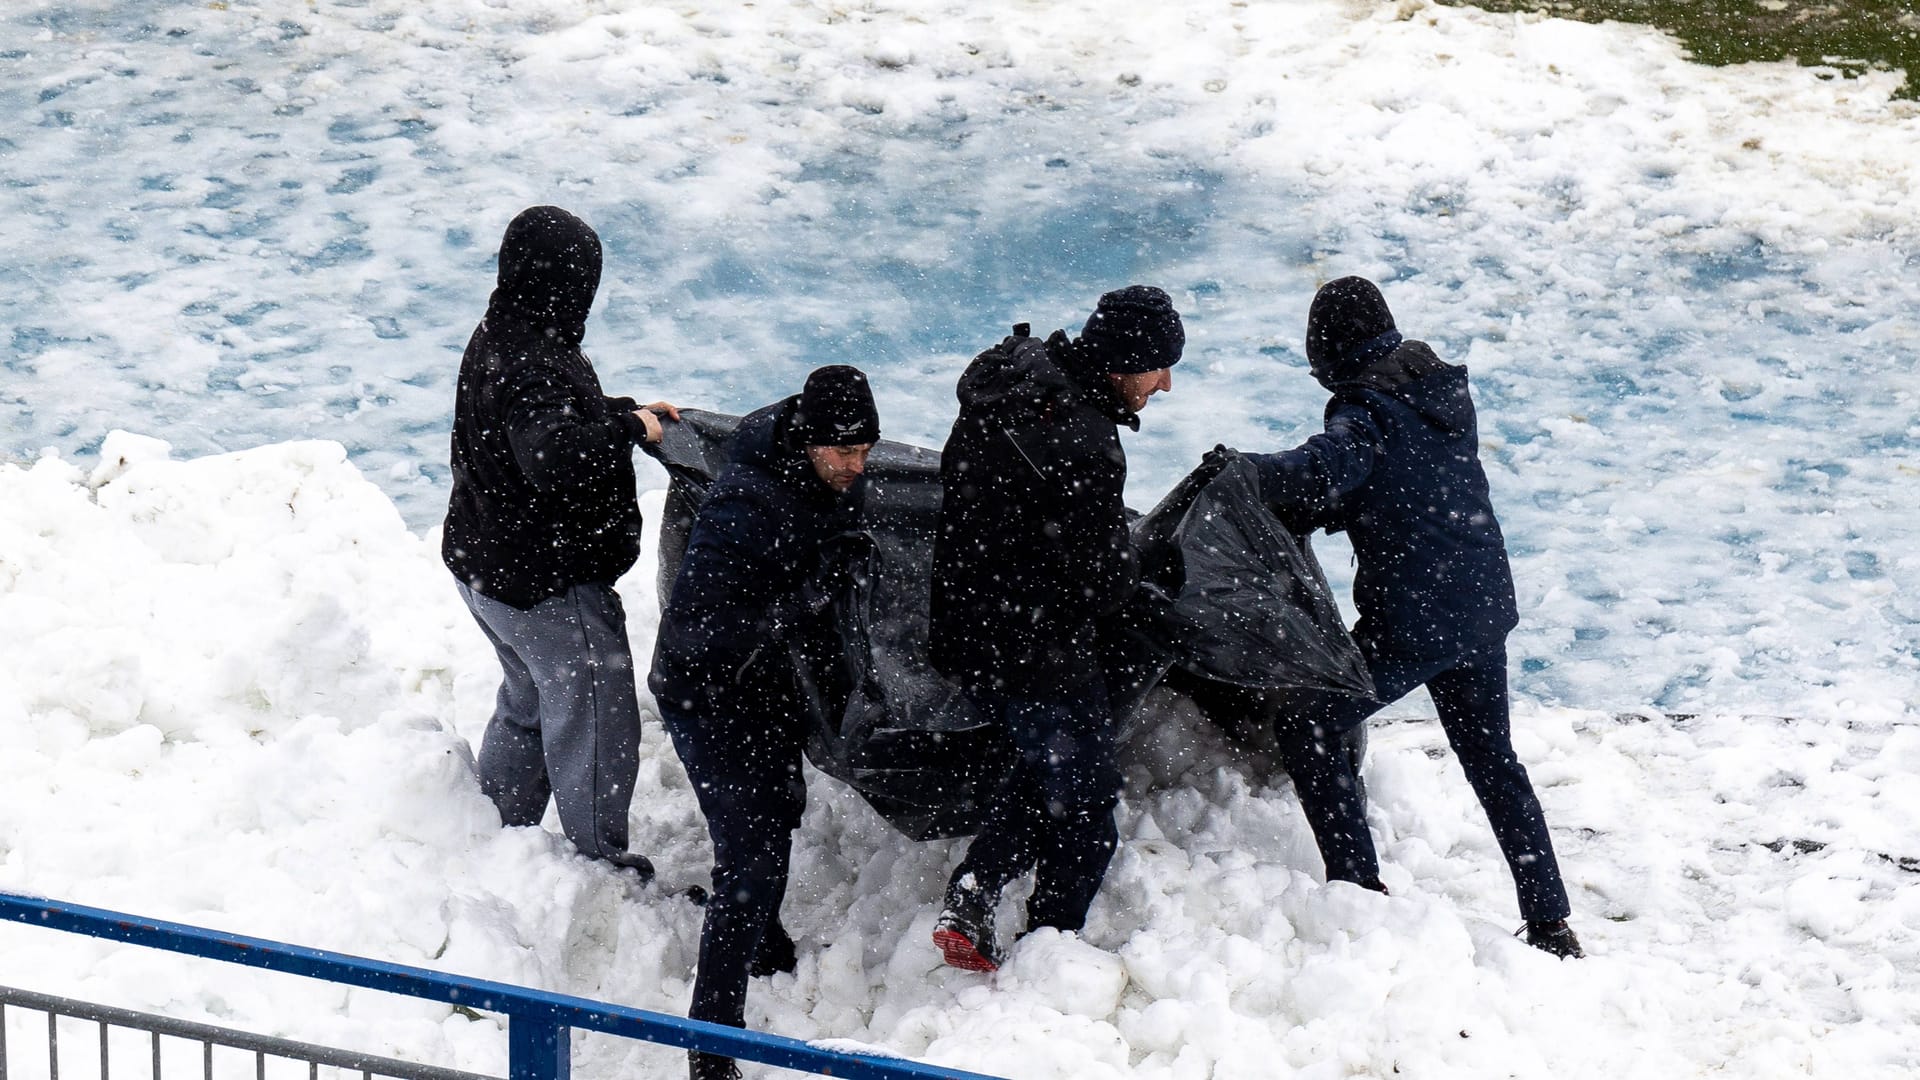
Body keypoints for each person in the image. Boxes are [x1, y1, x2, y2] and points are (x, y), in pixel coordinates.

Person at [1229, 275, 1583, 958]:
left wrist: (1243, 470)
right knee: (1493, 761)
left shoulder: (1364, 415)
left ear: (1331, 352)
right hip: (1481, 607)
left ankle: (1358, 889)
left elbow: (1321, 468)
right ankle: (1551, 922)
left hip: (1416, 622)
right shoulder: (1439, 392)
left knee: (1308, 721)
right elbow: (1401, 485)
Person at [926, 285, 1182, 972]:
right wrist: (1145, 568)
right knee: (1087, 811)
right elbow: (1100, 582)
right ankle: (1043, 951)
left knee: (1051, 771)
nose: (1164, 384)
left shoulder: (1008, 376)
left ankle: (980, 895)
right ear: (1123, 364)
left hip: (963, 617)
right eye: (1158, 368)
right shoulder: (1087, 441)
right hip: (1033, 642)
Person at [649, 365, 879, 1080]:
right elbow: (703, 634)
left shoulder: (805, 452)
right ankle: (711, 1046)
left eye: (865, 451)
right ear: (807, 440)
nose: (855, 467)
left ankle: (761, 942)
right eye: (841, 453)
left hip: (763, 686)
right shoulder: (744, 511)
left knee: (781, 808)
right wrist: (809, 592)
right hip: (705, 696)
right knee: (748, 861)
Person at [442, 205, 676, 878]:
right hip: (546, 585)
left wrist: (616, 413)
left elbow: (535, 427)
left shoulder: (503, 331)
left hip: (488, 571)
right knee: (596, 721)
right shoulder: (534, 363)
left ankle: (494, 835)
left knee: (532, 703)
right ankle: (598, 867)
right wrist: (628, 432)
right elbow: (552, 456)